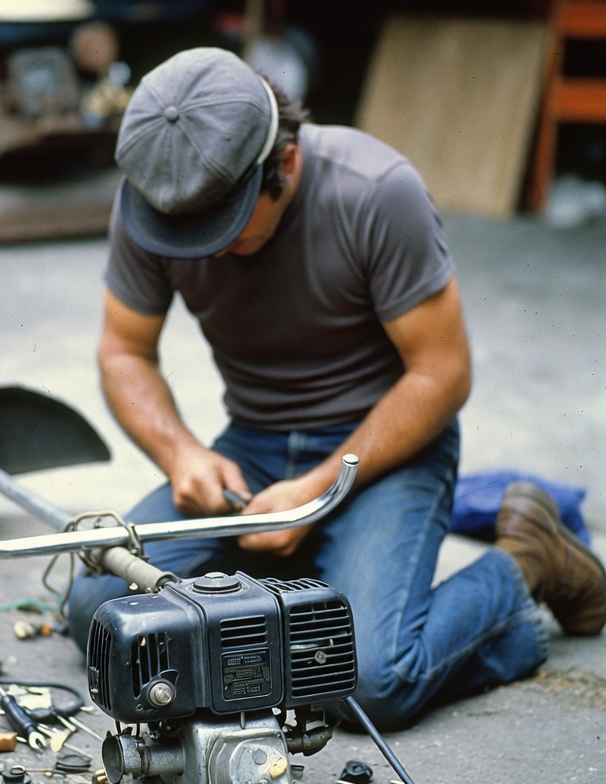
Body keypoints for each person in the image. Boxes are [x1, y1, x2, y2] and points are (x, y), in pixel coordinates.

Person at [68, 47, 606, 729]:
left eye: (224, 233)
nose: (200, 252)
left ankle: (528, 563)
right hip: (256, 449)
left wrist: (323, 491)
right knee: (102, 613)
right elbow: (123, 352)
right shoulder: (161, 200)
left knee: (364, 684)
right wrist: (181, 456)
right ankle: (314, 611)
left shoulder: (375, 191)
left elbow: (443, 373)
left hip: (385, 456)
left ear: (284, 165)